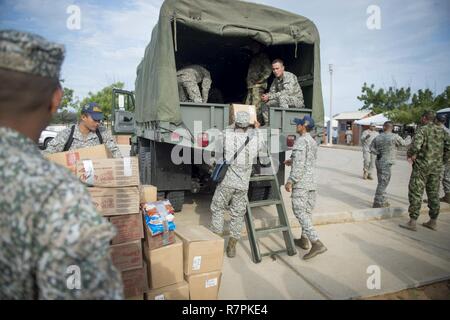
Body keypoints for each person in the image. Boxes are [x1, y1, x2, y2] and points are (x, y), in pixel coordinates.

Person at [0, 30, 123, 299]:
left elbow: (116, 157)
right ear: (56, 99)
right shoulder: (59, 190)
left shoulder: (103, 134)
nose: (98, 121)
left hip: (98, 193)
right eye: (94, 117)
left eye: (101, 117)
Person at [210, 111, 267, 258]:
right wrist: (256, 128)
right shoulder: (255, 140)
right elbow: (262, 144)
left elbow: (218, 146)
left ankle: (216, 243)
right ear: (249, 124)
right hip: (242, 185)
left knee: (218, 208)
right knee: (237, 214)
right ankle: (231, 247)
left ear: (235, 123)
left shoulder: (227, 135)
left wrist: (233, 123)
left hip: (226, 183)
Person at [284, 115, 326, 260]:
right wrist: (292, 160)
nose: (296, 126)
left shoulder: (301, 141)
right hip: (312, 182)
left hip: (302, 183)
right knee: (307, 212)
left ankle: (316, 242)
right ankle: (304, 240)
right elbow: (307, 161)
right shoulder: (312, 141)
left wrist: (291, 180)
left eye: (299, 124)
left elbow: (301, 165)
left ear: (304, 126)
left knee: (299, 211)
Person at [400, 111, 450, 231]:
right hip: (436, 167)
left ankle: (412, 222)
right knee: (434, 193)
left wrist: (410, 154)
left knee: (416, 191)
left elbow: (416, 146)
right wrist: (441, 162)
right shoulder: (445, 132)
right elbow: (448, 150)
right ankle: (433, 221)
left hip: (422, 166)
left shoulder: (424, 129)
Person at [44, 102, 122, 157]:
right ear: (83, 117)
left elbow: (115, 154)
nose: (98, 123)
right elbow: (48, 156)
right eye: (95, 119)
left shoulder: (102, 132)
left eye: (99, 120)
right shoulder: (67, 134)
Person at [370, 121, 410, 208]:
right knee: (383, 182)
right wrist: (409, 138)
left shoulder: (378, 137)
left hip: (379, 161)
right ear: (391, 128)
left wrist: (377, 152)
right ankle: (377, 202)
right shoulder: (394, 137)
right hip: (387, 162)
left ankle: (383, 200)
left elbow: (371, 148)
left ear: (384, 127)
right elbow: (404, 144)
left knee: (381, 181)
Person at [260, 59, 305, 124]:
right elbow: (272, 92)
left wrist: (270, 96)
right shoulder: (275, 80)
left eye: (277, 68)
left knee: (282, 98)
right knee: (265, 104)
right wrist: (266, 96)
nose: (275, 71)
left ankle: (284, 124)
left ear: (283, 68)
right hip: (283, 100)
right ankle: (268, 124)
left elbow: (288, 92)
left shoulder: (289, 76)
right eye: (273, 69)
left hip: (297, 101)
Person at [243, 42, 271, 119]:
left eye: (255, 46)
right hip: (251, 86)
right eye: (252, 46)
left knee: (256, 106)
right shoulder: (254, 58)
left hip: (258, 86)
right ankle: (247, 123)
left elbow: (268, 70)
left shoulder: (263, 57)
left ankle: (256, 123)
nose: (253, 48)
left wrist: (260, 80)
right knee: (248, 106)